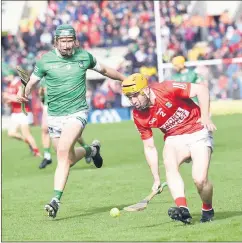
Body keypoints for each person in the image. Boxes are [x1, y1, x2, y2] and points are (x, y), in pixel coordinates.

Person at [17, 24, 125, 218]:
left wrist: (125, 79)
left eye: (70, 41)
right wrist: (23, 93)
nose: (67, 46)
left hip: (77, 113)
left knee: (62, 152)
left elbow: (106, 71)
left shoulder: (84, 57)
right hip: (55, 116)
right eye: (63, 41)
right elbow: (30, 83)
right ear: (56, 42)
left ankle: (55, 200)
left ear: (75, 41)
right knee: (68, 158)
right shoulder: (45, 61)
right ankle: (92, 150)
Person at [121, 73, 216, 224]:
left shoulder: (166, 88)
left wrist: (205, 116)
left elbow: (202, 89)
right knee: (169, 162)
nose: (133, 101)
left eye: (135, 96)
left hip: (197, 130)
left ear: (145, 90)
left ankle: (207, 208)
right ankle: (183, 210)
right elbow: (149, 146)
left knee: (200, 180)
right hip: (174, 137)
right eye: (129, 98)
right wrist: (156, 178)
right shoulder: (138, 115)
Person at [38, 78, 92, 169]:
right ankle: (47, 156)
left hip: (62, 105)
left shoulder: (61, 72)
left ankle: (86, 148)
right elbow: (42, 91)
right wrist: (42, 96)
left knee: (71, 132)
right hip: (48, 105)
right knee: (44, 129)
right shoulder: (44, 75)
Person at [3, 75, 41, 157]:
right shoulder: (10, 85)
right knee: (11, 133)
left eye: (6, 76)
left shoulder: (19, 84)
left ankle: (37, 152)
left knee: (27, 134)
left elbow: (22, 99)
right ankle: (28, 142)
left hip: (23, 112)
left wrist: (8, 97)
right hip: (15, 113)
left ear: (11, 75)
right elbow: (11, 100)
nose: (5, 78)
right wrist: (8, 101)